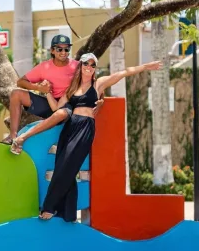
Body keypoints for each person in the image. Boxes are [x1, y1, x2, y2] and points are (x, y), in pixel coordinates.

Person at [12, 54, 162, 221]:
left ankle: (49, 207)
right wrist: (47, 92)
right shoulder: (71, 88)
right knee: (61, 164)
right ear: (80, 66)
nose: (89, 67)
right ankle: (67, 214)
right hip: (70, 127)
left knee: (68, 165)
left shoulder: (98, 84)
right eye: (86, 64)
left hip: (85, 127)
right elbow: (56, 108)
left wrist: (146, 67)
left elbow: (124, 72)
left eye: (92, 65)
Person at [1, 35, 79, 145]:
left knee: (62, 112)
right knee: (16, 93)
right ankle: (13, 136)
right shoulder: (44, 67)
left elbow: (92, 82)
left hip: (68, 107)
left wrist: (99, 100)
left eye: (66, 49)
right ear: (52, 50)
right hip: (49, 104)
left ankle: (26, 136)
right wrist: (38, 88)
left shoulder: (76, 66)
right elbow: (21, 82)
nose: (63, 52)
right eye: (59, 49)